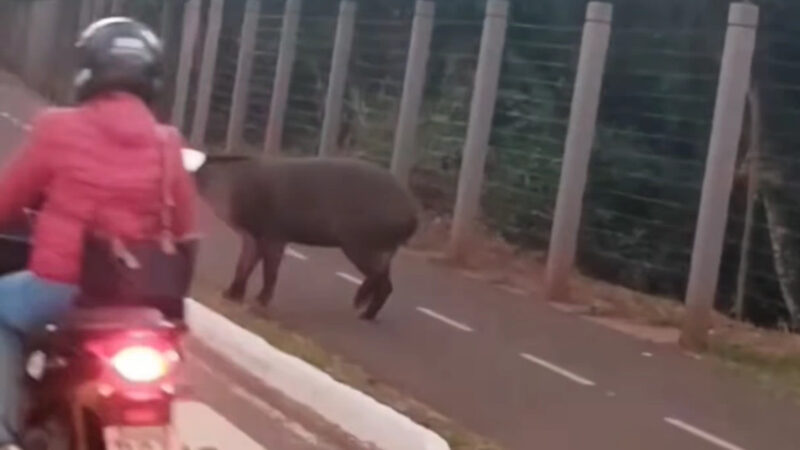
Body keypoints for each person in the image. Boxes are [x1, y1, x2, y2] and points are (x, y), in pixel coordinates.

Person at [0, 18, 196, 448]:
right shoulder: (168, 142)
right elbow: (185, 227)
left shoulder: (57, 127)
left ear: (88, 70)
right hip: (144, 299)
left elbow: (7, 201)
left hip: (64, 288)